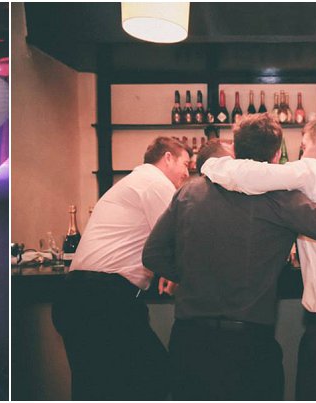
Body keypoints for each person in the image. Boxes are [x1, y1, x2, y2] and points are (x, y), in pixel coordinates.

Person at [143, 113, 316, 400]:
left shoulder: (190, 190)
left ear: (235, 149)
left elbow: (153, 254)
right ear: (276, 156)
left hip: (189, 339)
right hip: (247, 345)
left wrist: (191, 277)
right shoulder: (283, 198)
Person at [51, 136, 191, 400]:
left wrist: (166, 269)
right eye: (185, 164)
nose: (187, 172)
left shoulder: (132, 182)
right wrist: (174, 271)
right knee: (157, 380)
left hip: (78, 296)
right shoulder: (155, 182)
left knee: (95, 389)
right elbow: (178, 239)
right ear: (167, 158)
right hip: (103, 300)